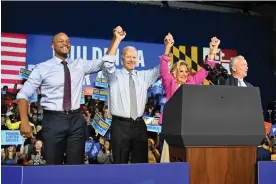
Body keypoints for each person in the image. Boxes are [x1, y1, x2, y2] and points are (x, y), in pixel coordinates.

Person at [16, 26, 125, 165]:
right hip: (53, 121)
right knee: (53, 167)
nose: (65, 43)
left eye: (67, 40)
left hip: (76, 120)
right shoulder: (42, 68)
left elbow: (104, 61)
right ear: (52, 46)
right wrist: (24, 121)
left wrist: (116, 40)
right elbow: (23, 94)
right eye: (60, 41)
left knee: (76, 166)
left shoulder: (79, 64)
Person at [159, 34, 220, 163]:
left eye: (186, 71)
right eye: (181, 71)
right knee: (169, 159)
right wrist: (168, 47)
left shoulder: (191, 82)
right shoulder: (170, 83)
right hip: (171, 128)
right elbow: (164, 69)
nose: (185, 74)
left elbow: (204, 71)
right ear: (175, 72)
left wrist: (212, 52)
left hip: (188, 128)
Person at [102, 33, 160, 164]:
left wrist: (167, 48)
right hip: (120, 126)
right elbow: (107, 63)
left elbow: (161, 69)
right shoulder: (114, 76)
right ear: (122, 58)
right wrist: (117, 40)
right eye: (128, 57)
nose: (131, 60)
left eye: (134, 57)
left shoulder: (143, 76)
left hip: (139, 125)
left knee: (140, 166)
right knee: (120, 164)